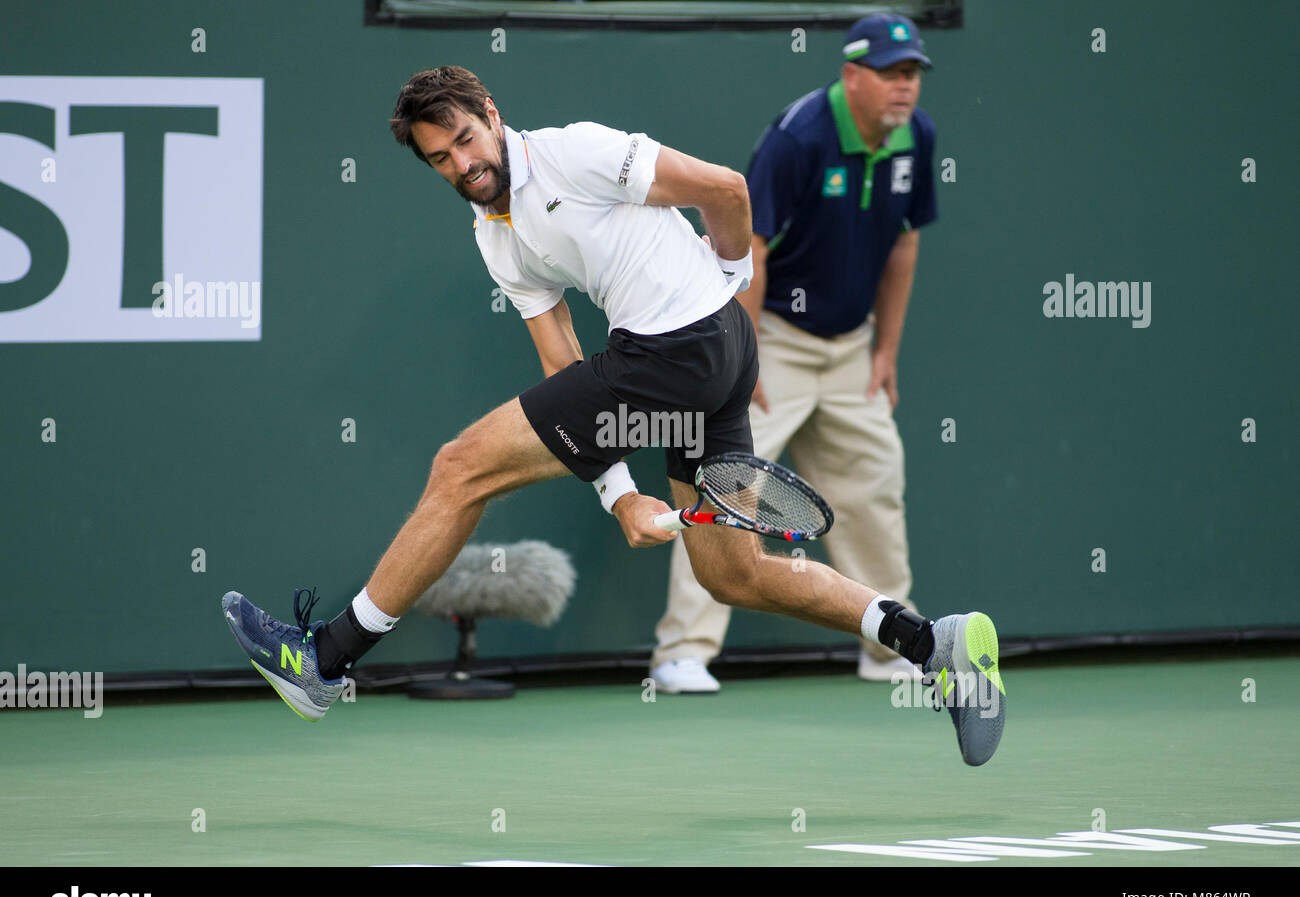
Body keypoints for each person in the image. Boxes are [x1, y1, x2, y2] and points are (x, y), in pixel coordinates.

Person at [220, 65, 1006, 766]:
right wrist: (620, 495)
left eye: (465, 139)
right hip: (699, 362)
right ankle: (928, 641)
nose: (463, 164)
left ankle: (326, 659)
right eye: (441, 159)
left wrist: (730, 274)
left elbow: (727, 189)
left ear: (491, 114)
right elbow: (564, 374)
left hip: (687, 345)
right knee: (731, 574)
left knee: (460, 469)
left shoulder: (575, 152)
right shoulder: (494, 237)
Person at [651, 13, 937, 694]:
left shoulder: (915, 138)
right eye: (892, 75)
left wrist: (887, 347)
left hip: (852, 348)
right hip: (769, 336)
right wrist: (741, 360)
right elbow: (752, 249)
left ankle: (891, 642)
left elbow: (903, 242)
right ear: (852, 78)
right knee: (726, 488)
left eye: (913, 75)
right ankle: (682, 651)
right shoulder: (798, 138)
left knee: (875, 488)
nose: (905, 89)